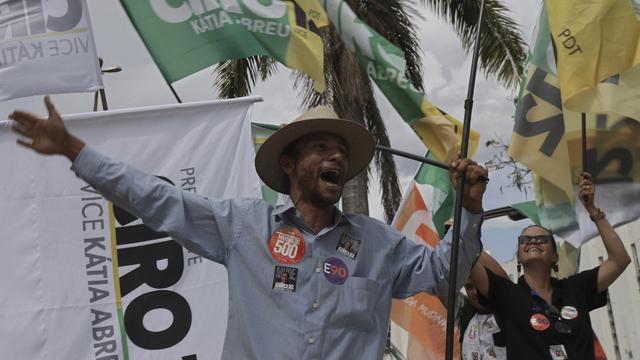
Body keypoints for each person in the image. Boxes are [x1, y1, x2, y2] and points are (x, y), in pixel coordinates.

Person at [10, 97, 488, 359]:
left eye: (340, 152)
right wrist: (77, 151)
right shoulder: (241, 226)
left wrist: (468, 209)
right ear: (289, 163)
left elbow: (444, 273)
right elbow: (157, 200)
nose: (336, 157)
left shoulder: (377, 242)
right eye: (321, 147)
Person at [469, 173, 631, 360]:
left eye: (542, 239)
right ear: (518, 258)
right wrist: (463, 225)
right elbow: (469, 260)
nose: (533, 242)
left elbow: (620, 260)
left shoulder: (576, 288)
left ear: (555, 256)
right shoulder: (506, 294)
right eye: (525, 240)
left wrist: (593, 211)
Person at [459, 252, 507, 360]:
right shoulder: (465, 312)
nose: (476, 293)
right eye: (470, 287)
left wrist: (465, 243)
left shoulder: (508, 309)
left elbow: (502, 278)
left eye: (480, 285)